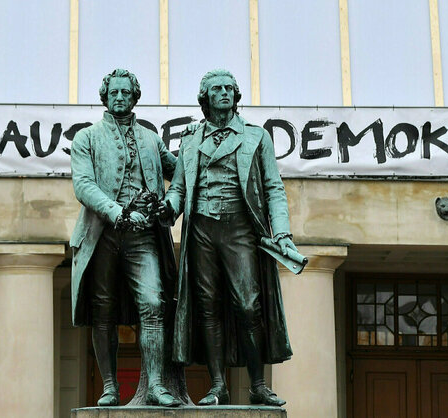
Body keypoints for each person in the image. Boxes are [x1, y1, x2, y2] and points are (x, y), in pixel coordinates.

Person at [161, 69, 297, 406]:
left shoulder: (256, 136)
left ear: (235, 96)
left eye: (228, 88)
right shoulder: (191, 140)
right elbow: (178, 187)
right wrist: (168, 209)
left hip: (239, 228)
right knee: (208, 308)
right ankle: (218, 385)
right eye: (216, 89)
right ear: (204, 98)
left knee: (248, 305)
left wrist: (281, 231)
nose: (223, 93)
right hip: (202, 230)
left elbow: (273, 188)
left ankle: (257, 385)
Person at [70, 68, 181, 407]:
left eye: (126, 92)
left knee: (154, 303)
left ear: (135, 97)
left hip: (144, 234)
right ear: (105, 97)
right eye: (114, 92)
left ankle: (157, 386)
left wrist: (172, 201)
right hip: (103, 234)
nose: (120, 97)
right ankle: (109, 385)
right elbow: (83, 185)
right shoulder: (86, 138)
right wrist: (116, 212)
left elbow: (179, 172)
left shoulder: (151, 138)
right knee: (103, 311)